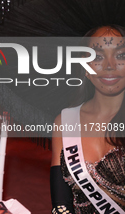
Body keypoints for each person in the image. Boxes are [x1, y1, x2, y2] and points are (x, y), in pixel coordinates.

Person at [50, 25, 125, 213]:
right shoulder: (64, 122)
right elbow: (60, 205)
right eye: (98, 57)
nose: (109, 65)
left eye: (120, 55)